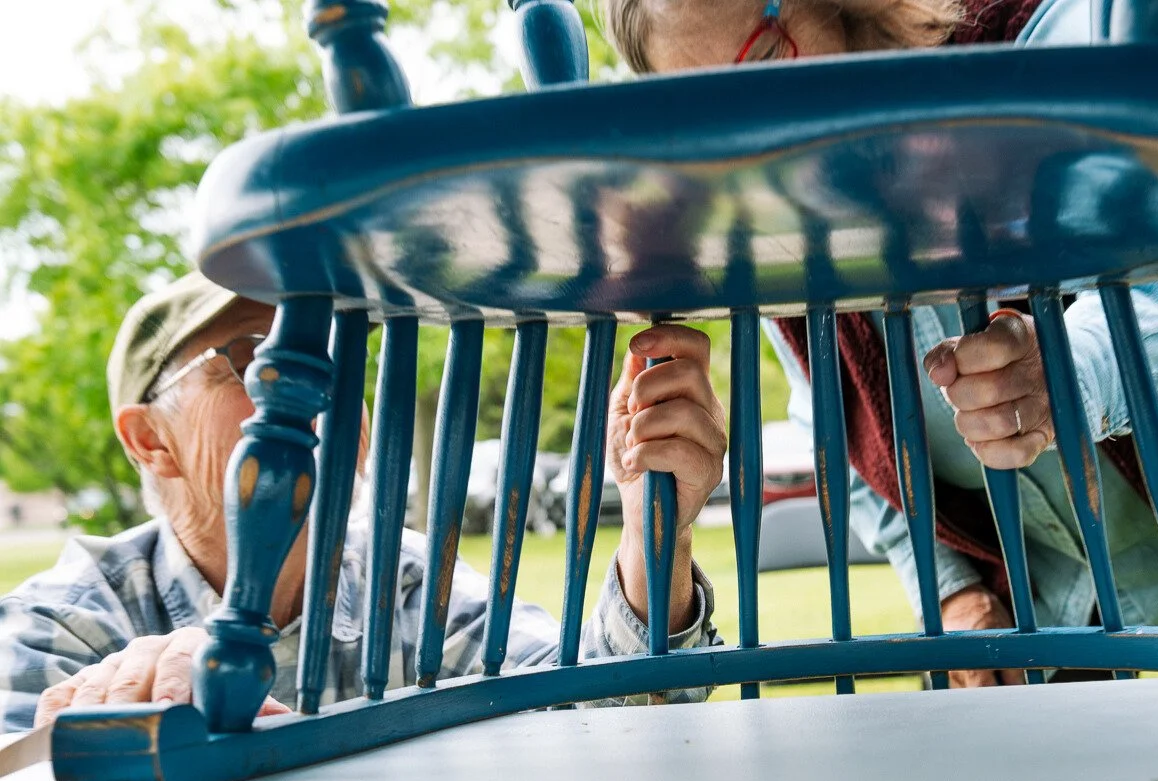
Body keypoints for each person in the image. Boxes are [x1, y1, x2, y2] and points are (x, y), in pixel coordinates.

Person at [603, 0, 1158, 686]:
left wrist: (1066, 376)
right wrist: (952, 594)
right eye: (717, 119)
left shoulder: (1020, 46)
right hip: (1050, 631)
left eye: (763, 57)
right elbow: (849, 457)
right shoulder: (784, 257)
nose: (764, 138)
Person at [0, 273, 727, 731]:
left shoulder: (406, 585)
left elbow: (602, 712)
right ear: (151, 440)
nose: (318, 389)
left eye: (338, 359)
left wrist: (649, 531)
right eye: (261, 359)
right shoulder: (62, 620)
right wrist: (136, 690)